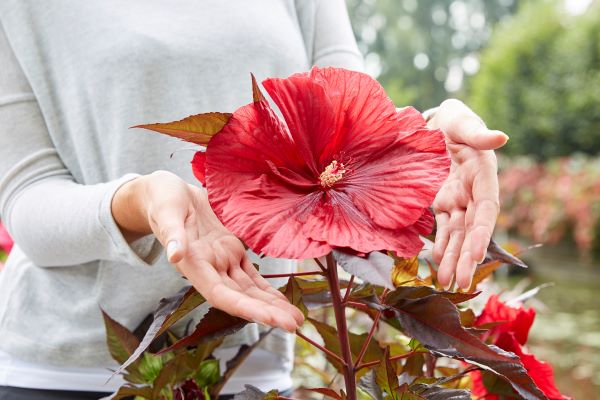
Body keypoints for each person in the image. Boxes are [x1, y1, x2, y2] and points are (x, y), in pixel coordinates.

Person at [0, 1, 507, 399]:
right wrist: (139, 200)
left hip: (258, 363)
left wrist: (425, 143)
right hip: (71, 373)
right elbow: (27, 197)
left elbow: (348, 112)